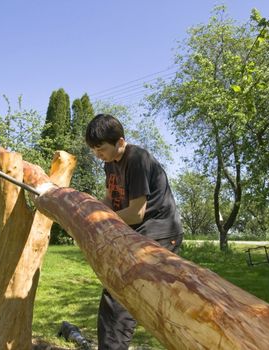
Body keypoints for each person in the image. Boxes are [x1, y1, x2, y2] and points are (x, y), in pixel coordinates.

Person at [85, 114, 183, 350]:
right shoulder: (109, 164)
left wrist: (103, 220)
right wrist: (90, 213)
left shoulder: (137, 158)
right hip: (138, 232)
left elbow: (137, 213)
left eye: (101, 149)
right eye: (94, 150)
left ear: (120, 142)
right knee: (115, 289)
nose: (98, 155)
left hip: (160, 233)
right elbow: (110, 199)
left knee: (122, 291)